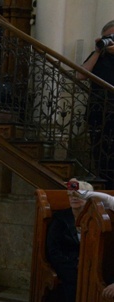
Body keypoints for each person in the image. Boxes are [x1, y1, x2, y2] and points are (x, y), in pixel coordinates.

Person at [78, 20, 114, 188]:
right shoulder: (99, 56)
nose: (110, 41)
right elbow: (80, 75)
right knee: (99, 152)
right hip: (98, 112)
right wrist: (98, 51)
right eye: (108, 37)